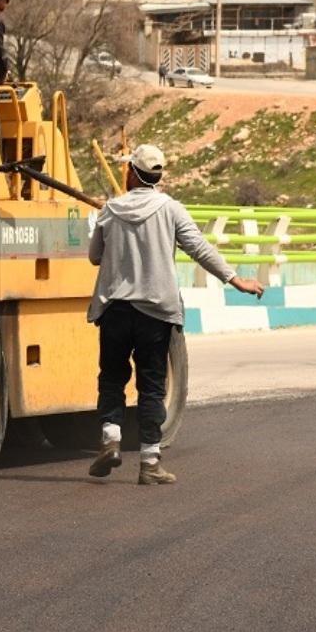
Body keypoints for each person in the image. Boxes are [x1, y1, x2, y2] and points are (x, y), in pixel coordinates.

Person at [86, 144, 265, 485]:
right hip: (155, 313)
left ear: (131, 173)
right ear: (157, 176)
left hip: (115, 310)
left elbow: (95, 257)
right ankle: (150, 462)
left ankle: (111, 437)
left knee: (112, 378)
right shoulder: (171, 210)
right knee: (152, 384)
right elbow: (199, 248)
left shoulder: (111, 209)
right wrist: (235, 279)